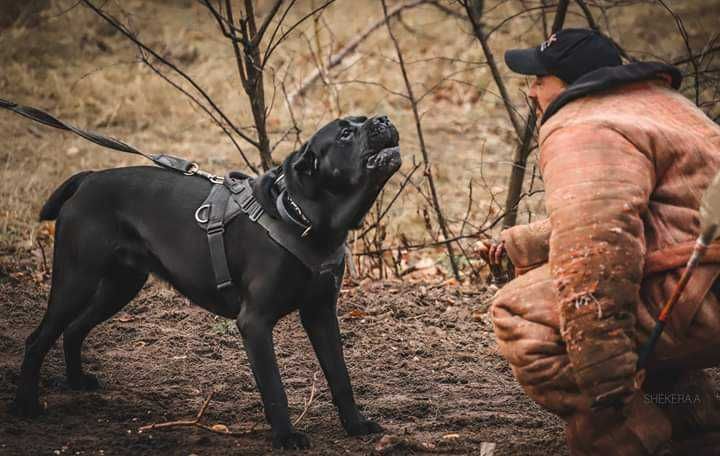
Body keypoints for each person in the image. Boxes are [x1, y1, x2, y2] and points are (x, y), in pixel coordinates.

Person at [479, 28, 720, 454]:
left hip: (701, 295)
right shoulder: (661, 106)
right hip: (704, 278)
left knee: (523, 312)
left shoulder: (583, 124)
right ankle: (692, 424)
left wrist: (609, 383)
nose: (532, 92)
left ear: (571, 82)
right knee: (631, 290)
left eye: (541, 79)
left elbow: (594, 264)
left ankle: (627, 438)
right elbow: (652, 216)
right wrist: (526, 245)